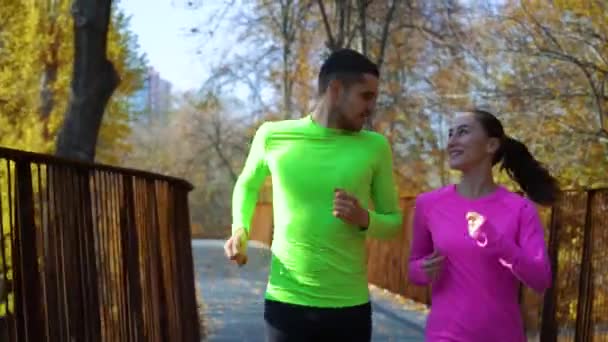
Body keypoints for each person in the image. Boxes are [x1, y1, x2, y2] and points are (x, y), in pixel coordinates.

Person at [224, 48, 403, 341]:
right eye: (365, 96)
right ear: (335, 89)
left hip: (349, 309)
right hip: (286, 302)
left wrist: (363, 218)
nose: (372, 106)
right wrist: (239, 228)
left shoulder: (375, 147)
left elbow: (394, 223)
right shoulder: (273, 135)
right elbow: (247, 184)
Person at [408, 109, 558, 341]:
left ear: (491, 145)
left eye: (463, 132)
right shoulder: (428, 204)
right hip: (445, 335)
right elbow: (413, 267)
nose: (452, 141)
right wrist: (422, 269)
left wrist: (498, 243)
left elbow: (541, 279)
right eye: (450, 134)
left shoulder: (520, 209)